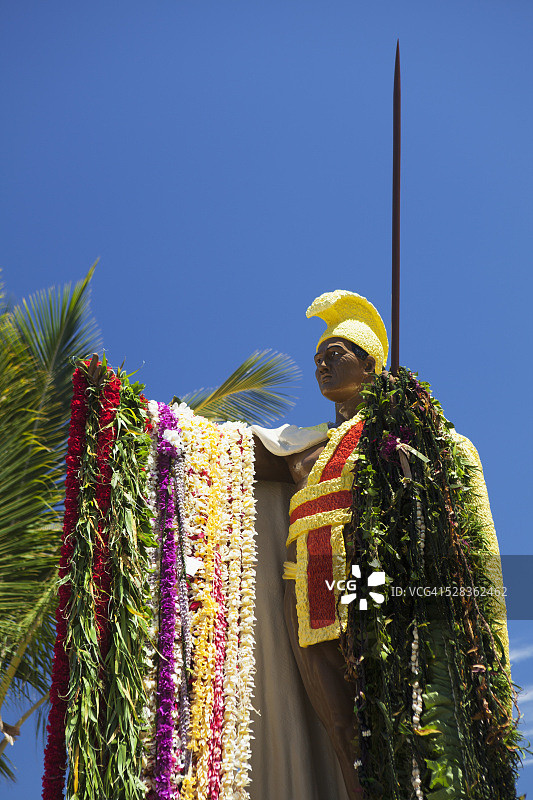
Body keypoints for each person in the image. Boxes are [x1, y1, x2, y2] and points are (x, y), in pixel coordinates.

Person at [249, 290, 511, 800]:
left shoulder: (399, 436)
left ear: (371, 366)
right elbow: (236, 453)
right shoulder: (304, 447)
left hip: (363, 584)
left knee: (385, 704)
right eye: (319, 357)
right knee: (340, 728)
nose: (323, 364)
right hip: (302, 594)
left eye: (337, 353)